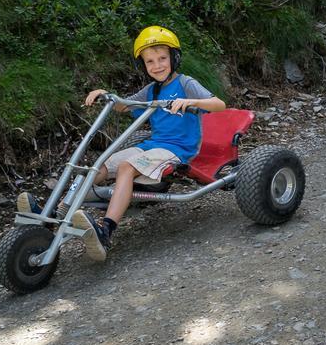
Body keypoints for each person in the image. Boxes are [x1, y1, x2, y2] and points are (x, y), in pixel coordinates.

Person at [17, 26, 225, 261]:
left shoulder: (186, 83)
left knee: (127, 167)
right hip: (151, 146)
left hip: (177, 150)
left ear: (174, 58)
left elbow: (219, 104)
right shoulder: (151, 90)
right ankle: (54, 214)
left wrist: (190, 101)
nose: (157, 66)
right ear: (143, 66)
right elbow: (125, 105)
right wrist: (106, 95)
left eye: (162, 59)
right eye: (150, 62)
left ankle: (106, 230)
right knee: (98, 166)